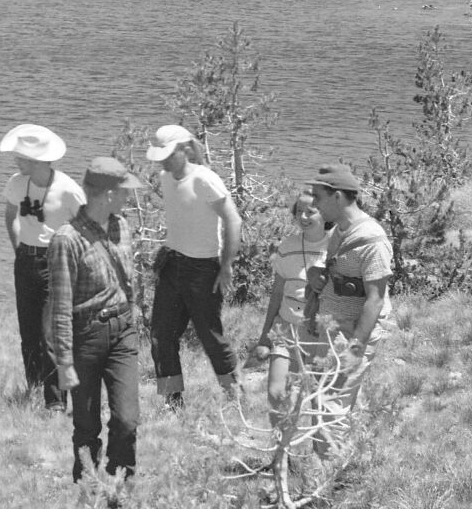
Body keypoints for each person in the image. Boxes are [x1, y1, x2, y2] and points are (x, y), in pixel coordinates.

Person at [46, 157, 146, 486]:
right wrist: (64, 361)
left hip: (122, 335)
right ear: (106, 195)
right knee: (86, 429)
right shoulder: (66, 239)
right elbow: (60, 306)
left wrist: (130, 323)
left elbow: (130, 282)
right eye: (123, 191)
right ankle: (87, 496)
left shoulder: (122, 226)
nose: (128, 197)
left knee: (127, 420)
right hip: (84, 337)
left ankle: (119, 490)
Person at [143, 123, 244, 407]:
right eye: (160, 155)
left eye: (168, 154)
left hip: (203, 268)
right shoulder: (166, 178)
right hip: (172, 264)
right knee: (162, 335)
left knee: (209, 335)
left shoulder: (204, 179)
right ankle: (172, 402)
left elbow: (233, 219)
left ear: (184, 149)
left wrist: (226, 266)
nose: (163, 161)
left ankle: (235, 397)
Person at [305, 164, 395, 429]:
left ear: (337, 196)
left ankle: (328, 468)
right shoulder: (338, 232)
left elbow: (375, 299)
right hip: (331, 330)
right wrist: (314, 274)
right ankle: (321, 464)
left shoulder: (372, 239)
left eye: (318, 197)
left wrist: (355, 349)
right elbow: (332, 270)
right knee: (320, 402)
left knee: (333, 407)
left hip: (350, 334)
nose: (314, 204)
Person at [0, 124, 83, 406]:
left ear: (36, 160)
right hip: (25, 259)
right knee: (29, 332)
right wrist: (18, 247)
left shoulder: (67, 189)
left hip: (55, 263)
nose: (16, 161)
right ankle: (35, 387)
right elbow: (9, 214)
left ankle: (56, 402)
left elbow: (87, 229)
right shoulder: (15, 182)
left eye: (20, 157)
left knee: (50, 333)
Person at [253, 186, 331, 440]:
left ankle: (323, 455)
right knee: (277, 393)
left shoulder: (337, 245)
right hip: (286, 327)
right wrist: (265, 336)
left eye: (311, 211)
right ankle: (281, 453)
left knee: (321, 399)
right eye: (299, 211)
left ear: (325, 213)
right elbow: (276, 294)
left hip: (320, 332)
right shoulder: (288, 246)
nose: (304, 217)